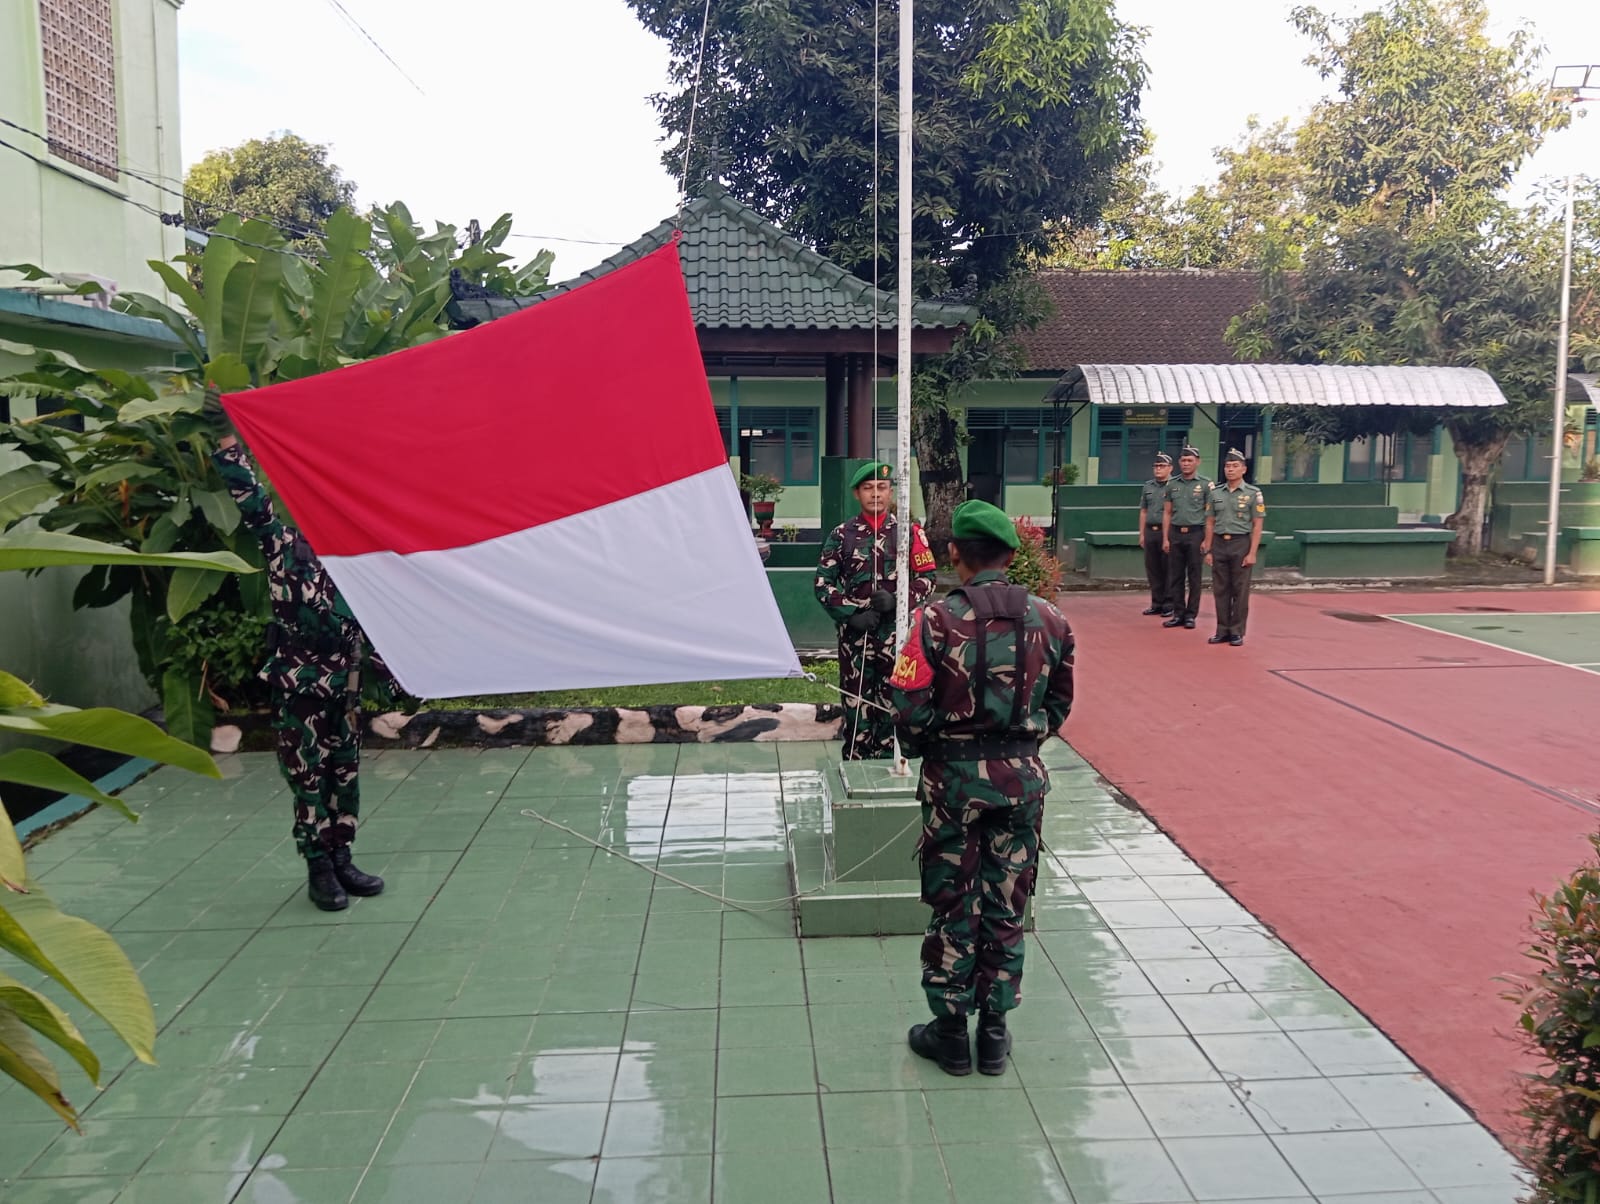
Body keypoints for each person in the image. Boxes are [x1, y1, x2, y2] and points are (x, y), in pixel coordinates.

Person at [887, 499, 1075, 1077]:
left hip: (953, 784)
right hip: (1021, 784)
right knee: (1007, 902)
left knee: (953, 902)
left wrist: (936, 749)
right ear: (1012, 556)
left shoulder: (933, 620)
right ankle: (994, 1035)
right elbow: (1059, 705)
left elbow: (907, 707)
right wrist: (1020, 746)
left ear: (954, 554)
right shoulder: (1052, 619)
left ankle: (949, 1036)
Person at [214, 431, 390, 911]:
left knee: (344, 774)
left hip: (345, 687)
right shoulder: (284, 546)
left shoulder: (359, 559)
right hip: (300, 686)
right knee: (308, 779)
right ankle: (318, 866)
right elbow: (252, 502)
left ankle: (342, 856)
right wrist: (227, 443)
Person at [815, 461, 938, 760]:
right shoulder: (842, 535)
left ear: (891, 492)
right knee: (855, 703)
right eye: (868, 488)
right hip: (855, 638)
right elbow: (822, 584)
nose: (875, 494)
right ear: (857, 493)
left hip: (896, 636)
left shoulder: (908, 533)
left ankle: (888, 761)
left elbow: (928, 578)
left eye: (881, 487)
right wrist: (851, 614)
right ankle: (855, 760)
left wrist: (898, 599)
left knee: (893, 701)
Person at [1205, 448, 1267, 647]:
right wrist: (1208, 549)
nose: (1230, 469)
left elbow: (1257, 525)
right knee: (1220, 589)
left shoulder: (1253, 493)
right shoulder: (1215, 493)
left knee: (1239, 590)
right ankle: (1222, 630)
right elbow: (1210, 522)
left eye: (1234, 466)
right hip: (1219, 543)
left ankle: (1236, 631)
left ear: (1244, 469)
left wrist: (1252, 553)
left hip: (1241, 543)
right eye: (1227, 466)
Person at [1161, 445, 1211, 630]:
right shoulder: (1172, 484)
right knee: (1176, 576)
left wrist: (1207, 540)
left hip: (1196, 534)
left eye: (1190, 460)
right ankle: (1178, 613)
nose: (1186, 464)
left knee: (1194, 576)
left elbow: (1210, 516)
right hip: (1175, 533)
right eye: (1183, 460)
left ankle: (1191, 615)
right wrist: (1166, 538)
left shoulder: (1206, 484)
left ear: (1198, 462)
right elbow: (1167, 512)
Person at [1138, 452, 1174, 616]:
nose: (1158, 469)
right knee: (1153, 569)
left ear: (1170, 468)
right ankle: (1156, 602)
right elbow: (1143, 511)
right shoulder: (1148, 486)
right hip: (1150, 531)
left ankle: (1169, 603)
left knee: (1168, 569)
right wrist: (1141, 534)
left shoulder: (1175, 485)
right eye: (1156, 466)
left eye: (1162, 466)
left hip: (1167, 531)